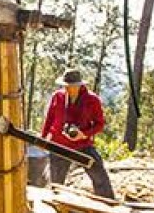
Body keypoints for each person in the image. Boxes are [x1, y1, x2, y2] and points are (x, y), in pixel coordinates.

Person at [40, 68, 115, 199]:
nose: (68, 89)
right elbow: (49, 118)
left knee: (99, 175)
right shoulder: (57, 96)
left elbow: (100, 124)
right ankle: (55, 203)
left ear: (80, 85)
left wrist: (84, 134)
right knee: (55, 182)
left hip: (82, 145)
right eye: (65, 86)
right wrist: (43, 138)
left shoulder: (92, 100)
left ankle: (109, 204)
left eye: (71, 86)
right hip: (59, 145)